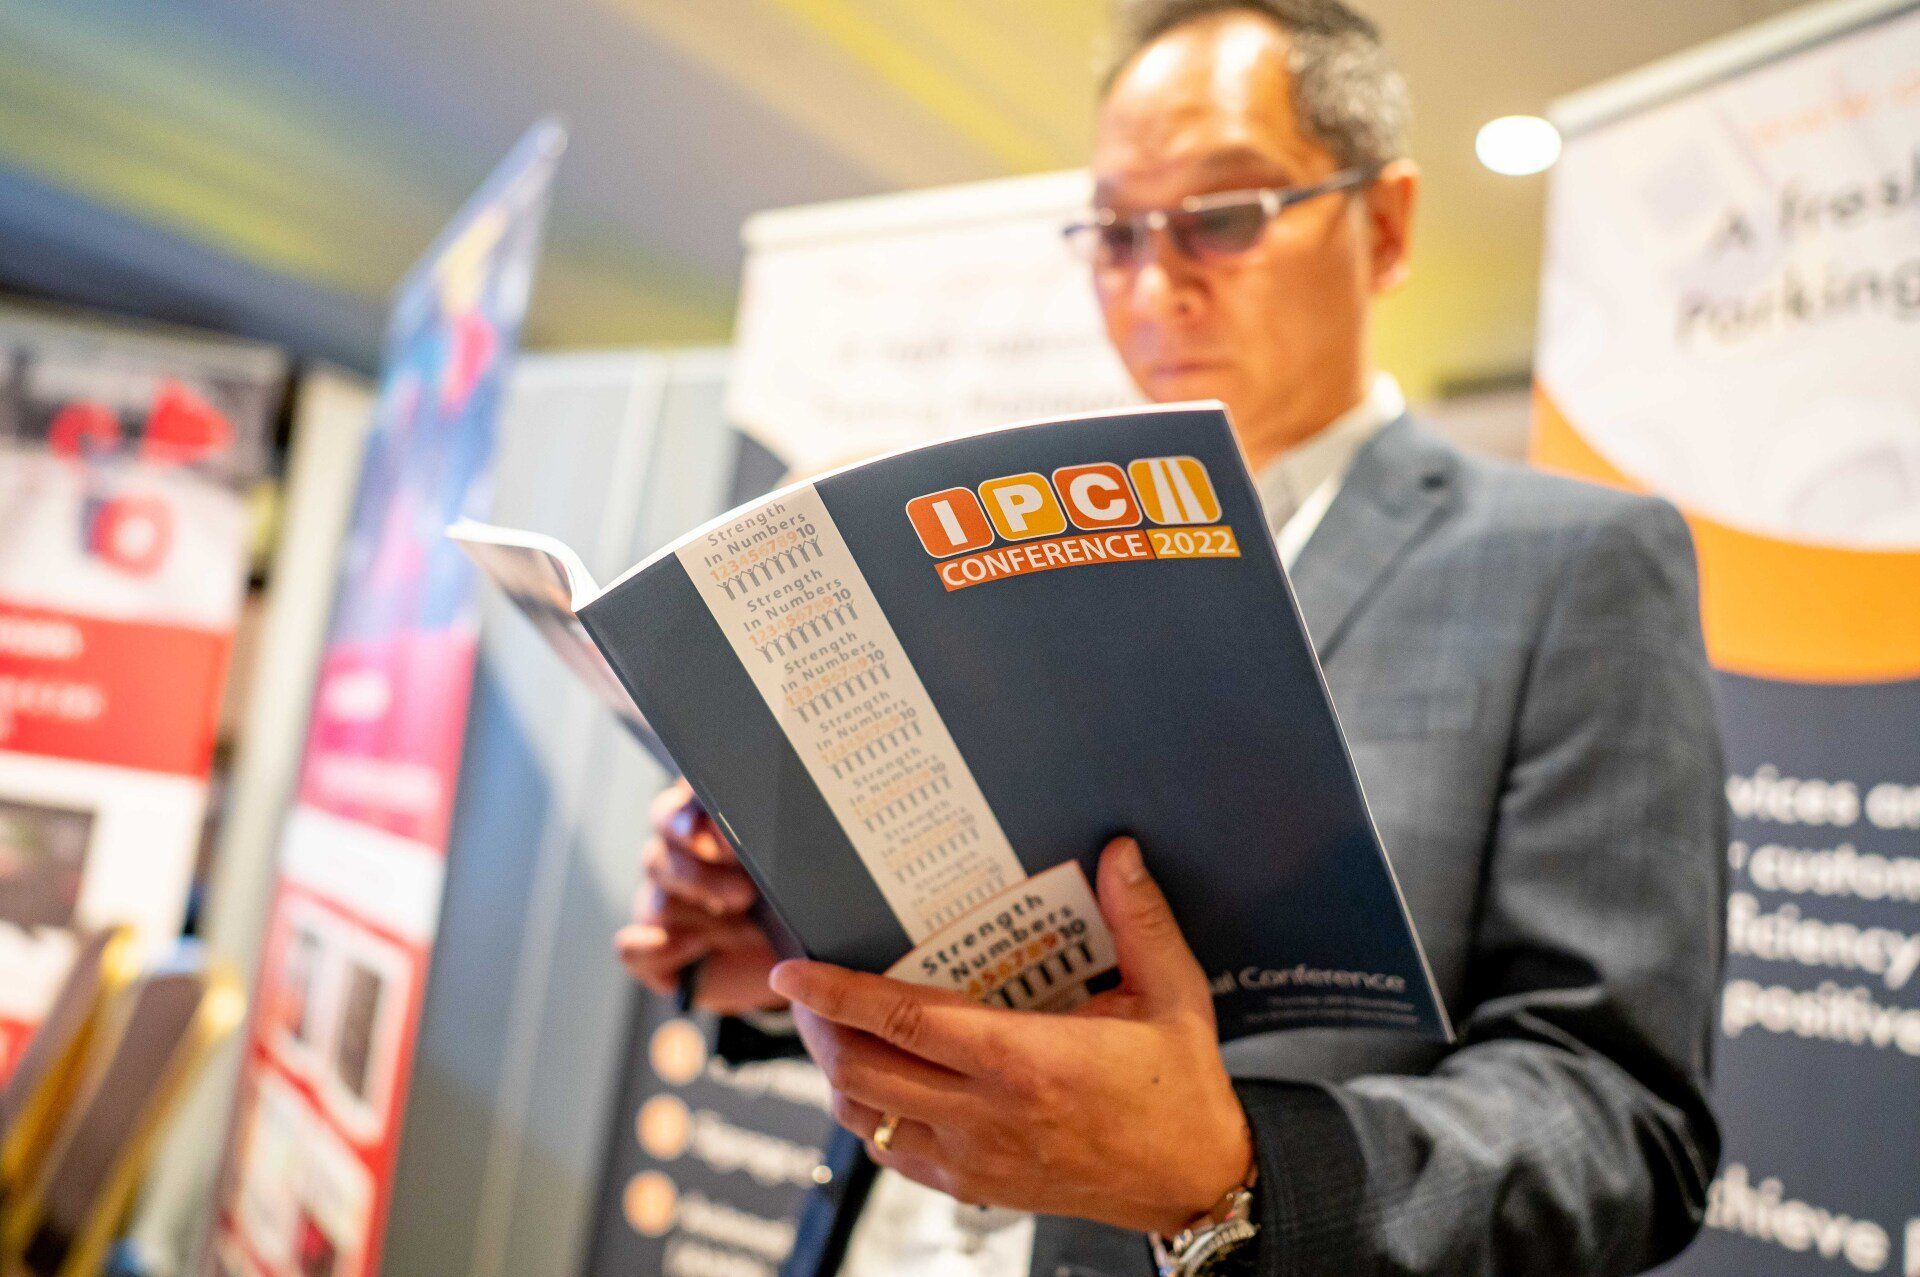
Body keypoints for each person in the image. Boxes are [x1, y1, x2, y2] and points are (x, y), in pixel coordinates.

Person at [618, 2, 1727, 1274]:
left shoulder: (1570, 564)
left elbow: (1623, 1123)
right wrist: (786, 951)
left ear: (1384, 223)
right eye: (1114, 231)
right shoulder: (1023, 546)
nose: (1153, 286)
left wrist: (1229, 1170)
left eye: (1224, 214)